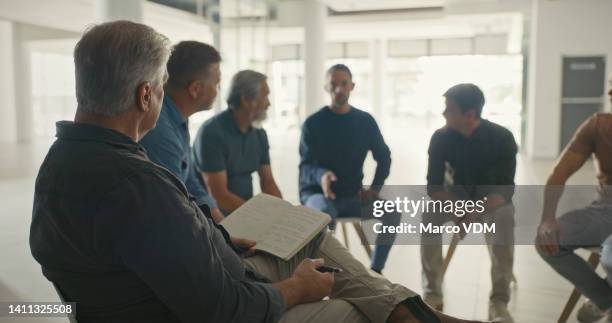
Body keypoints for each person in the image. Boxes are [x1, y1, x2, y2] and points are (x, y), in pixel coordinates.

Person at [29, 21, 489, 323]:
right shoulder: (137, 181)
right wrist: (296, 288)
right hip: (218, 301)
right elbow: (224, 308)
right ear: (145, 95)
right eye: (164, 86)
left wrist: (222, 240)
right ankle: (412, 314)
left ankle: (412, 310)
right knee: (348, 308)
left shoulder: (57, 165)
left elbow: (164, 243)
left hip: (211, 264)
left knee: (310, 235)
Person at [422, 84, 517, 323]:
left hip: (491, 202)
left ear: (470, 114)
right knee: (429, 214)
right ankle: (433, 291)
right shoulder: (441, 137)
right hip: (455, 199)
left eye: (450, 109)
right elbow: (434, 186)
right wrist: (458, 208)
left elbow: (505, 190)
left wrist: (474, 210)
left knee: (504, 217)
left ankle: (499, 301)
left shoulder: (502, 138)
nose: (444, 113)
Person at [298, 64, 400, 274]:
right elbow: (306, 167)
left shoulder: (365, 121)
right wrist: (322, 176)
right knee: (325, 216)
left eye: (344, 84)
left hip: (353, 196)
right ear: (326, 87)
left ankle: (375, 271)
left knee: (392, 212)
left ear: (352, 86)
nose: (339, 89)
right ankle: (325, 276)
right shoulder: (313, 123)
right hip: (318, 195)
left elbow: (384, 157)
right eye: (333, 84)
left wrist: (374, 188)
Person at [536, 79, 612, 323]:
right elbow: (559, 173)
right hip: (604, 209)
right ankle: (606, 301)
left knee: (610, 256)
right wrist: (547, 219)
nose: (609, 92)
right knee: (547, 241)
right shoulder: (597, 125)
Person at [139, 41, 224, 223]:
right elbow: (176, 207)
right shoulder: (159, 130)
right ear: (195, 89)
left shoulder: (179, 119)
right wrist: (222, 239)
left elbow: (192, 183)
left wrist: (223, 227)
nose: (219, 90)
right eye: (217, 84)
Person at [193, 70, 282, 215]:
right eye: (265, 96)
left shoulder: (259, 133)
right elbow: (219, 195)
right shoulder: (211, 133)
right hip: (214, 218)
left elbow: (268, 182)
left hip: (246, 212)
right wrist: (260, 216)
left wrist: (284, 213)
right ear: (246, 100)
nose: (269, 104)